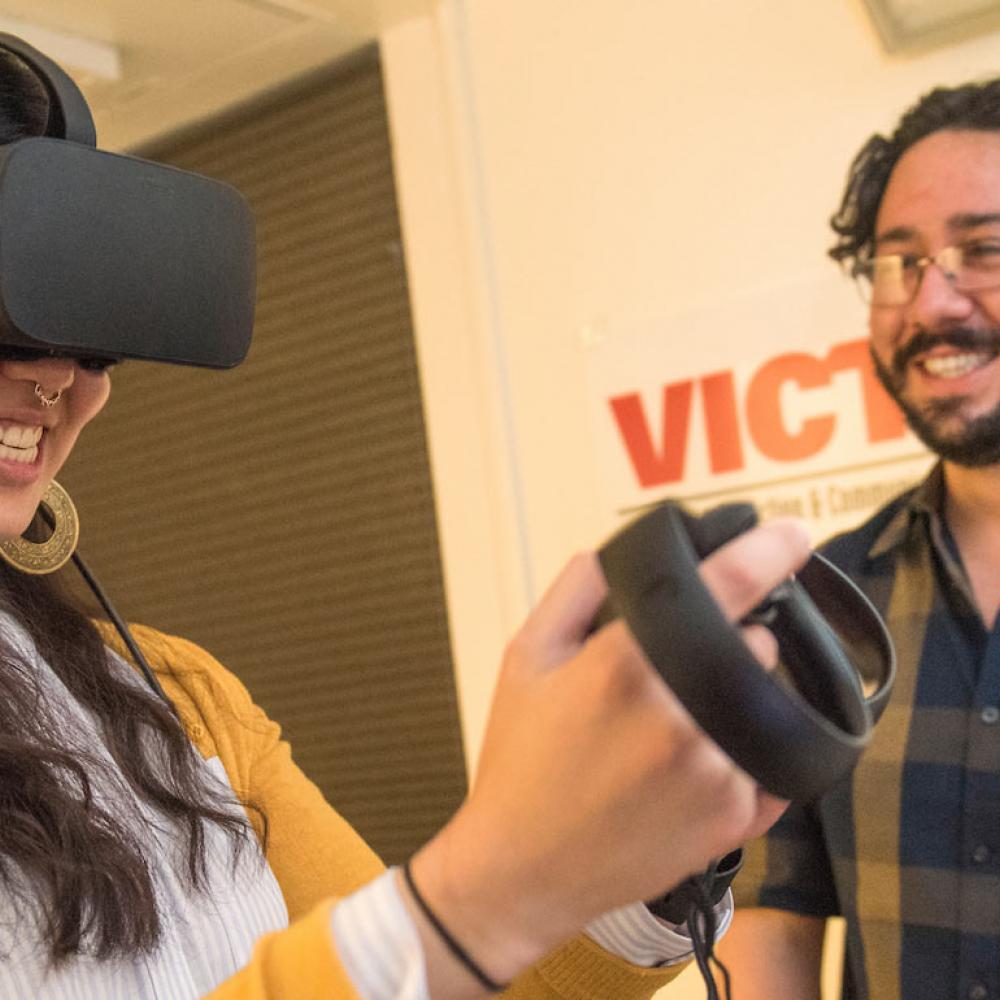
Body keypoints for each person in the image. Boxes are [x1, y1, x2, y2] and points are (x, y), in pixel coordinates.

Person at [0, 38, 815, 999]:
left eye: (93, 344)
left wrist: (644, 860)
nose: (54, 376)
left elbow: (428, 979)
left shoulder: (173, 698)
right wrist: (482, 890)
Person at [718, 79, 1000, 1000]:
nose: (933, 304)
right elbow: (772, 916)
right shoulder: (825, 597)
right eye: (899, 263)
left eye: (984, 250)